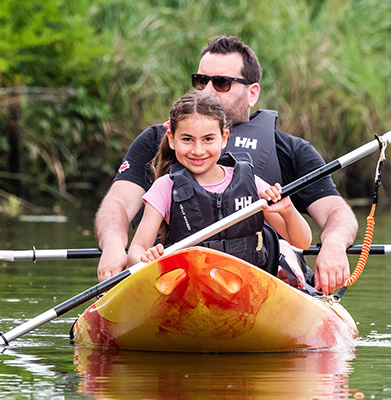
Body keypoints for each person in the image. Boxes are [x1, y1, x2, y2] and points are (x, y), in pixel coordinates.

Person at [95, 35, 358, 294]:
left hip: (257, 277)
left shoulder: (290, 151)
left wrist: (333, 245)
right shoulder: (157, 139)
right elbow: (118, 203)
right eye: (200, 81)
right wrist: (114, 247)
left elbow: (336, 212)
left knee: (286, 248)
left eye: (221, 83)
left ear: (252, 93)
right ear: (174, 140)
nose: (207, 90)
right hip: (174, 277)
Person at [127, 91, 312, 286]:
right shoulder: (165, 187)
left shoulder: (250, 182)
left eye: (208, 139)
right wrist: (146, 259)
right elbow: (136, 250)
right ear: (172, 140)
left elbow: (302, 242)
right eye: (187, 139)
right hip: (192, 288)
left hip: (248, 287)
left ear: (223, 139)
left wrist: (288, 210)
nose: (198, 150)